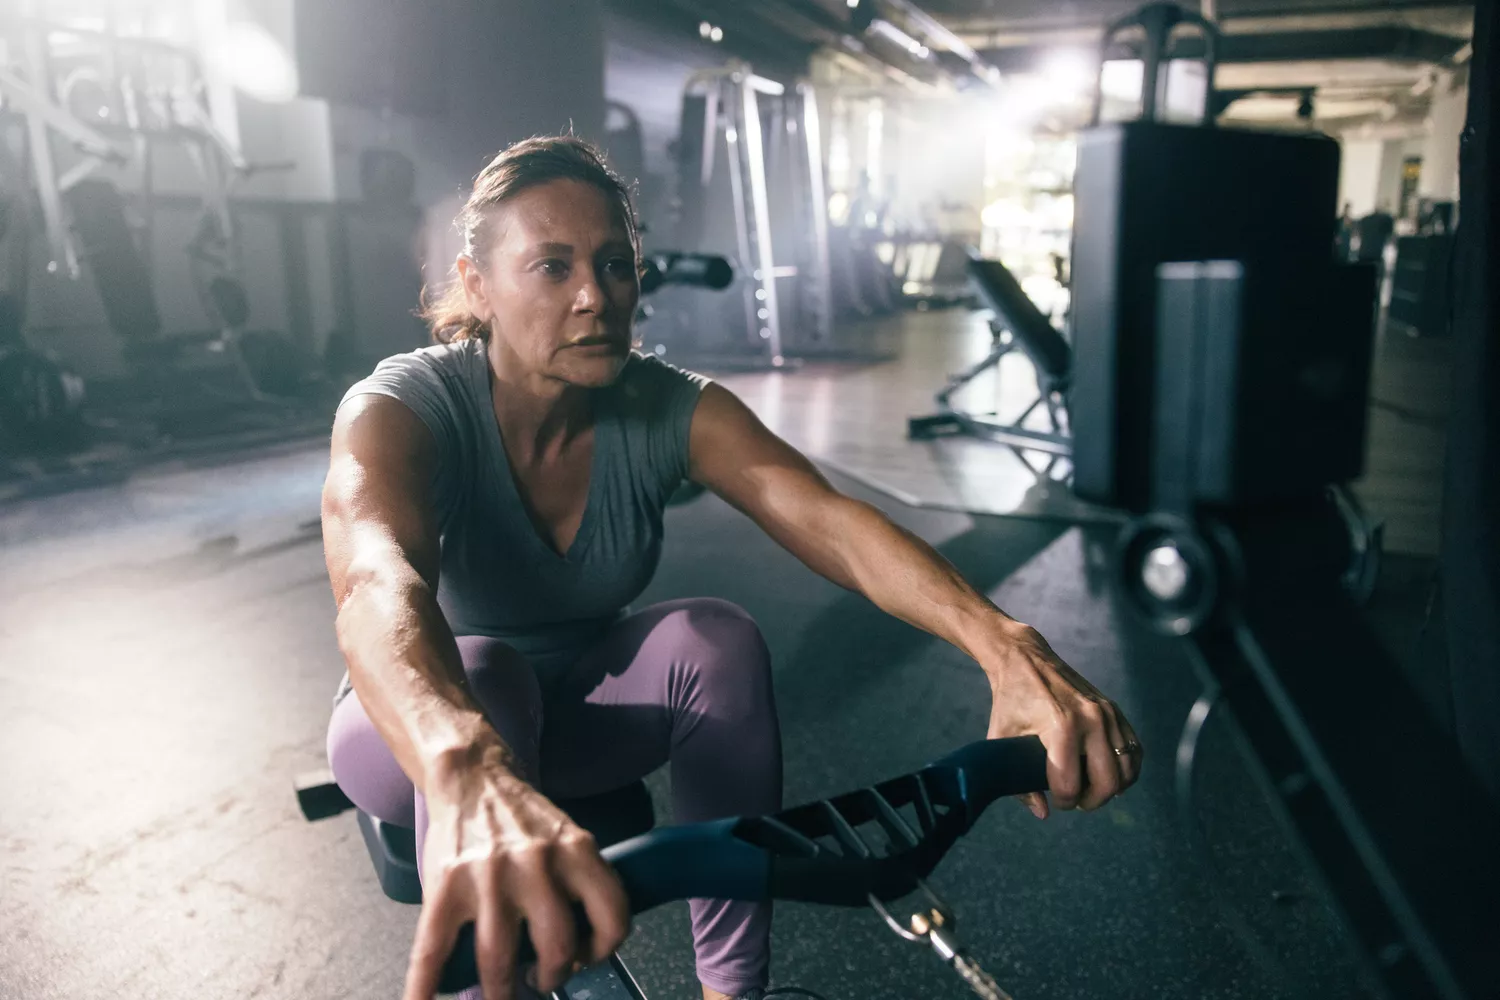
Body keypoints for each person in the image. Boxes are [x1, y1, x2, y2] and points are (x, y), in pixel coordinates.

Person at [321, 135, 1143, 1000]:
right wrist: (464, 763)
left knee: (714, 637)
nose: (595, 296)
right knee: (487, 671)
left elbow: (830, 522)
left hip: (578, 725)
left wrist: (1006, 644)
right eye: (552, 267)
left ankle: (732, 992)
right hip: (424, 738)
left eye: (615, 265)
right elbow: (376, 584)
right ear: (479, 284)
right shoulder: (403, 407)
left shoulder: (666, 405)